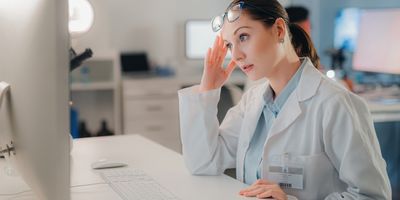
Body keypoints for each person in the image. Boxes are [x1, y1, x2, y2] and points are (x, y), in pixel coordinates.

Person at [178, 0, 391, 199]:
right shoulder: (252, 101)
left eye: (243, 37)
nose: (236, 56)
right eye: (229, 45)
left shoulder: (335, 103)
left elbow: (372, 195)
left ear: (279, 30)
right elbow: (203, 162)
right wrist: (208, 88)